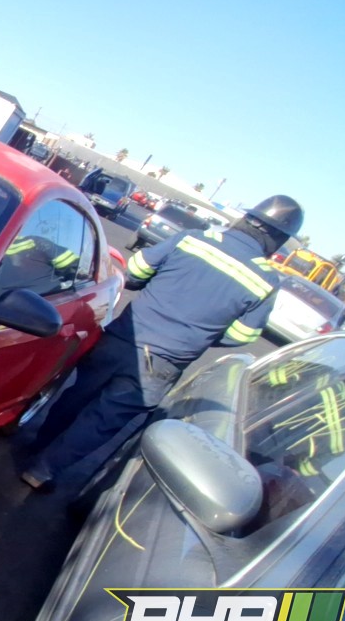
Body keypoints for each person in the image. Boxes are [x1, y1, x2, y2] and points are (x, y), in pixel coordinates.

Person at [20, 195, 305, 490]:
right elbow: (242, 336)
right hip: (163, 363)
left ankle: (37, 445)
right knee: (104, 420)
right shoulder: (266, 280)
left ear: (246, 219)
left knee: (78, 394)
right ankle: (44, 469)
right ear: (278, 240)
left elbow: (136, 271)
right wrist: (200, 334)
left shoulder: (193, 240)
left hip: (123, 338)